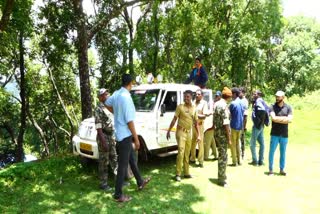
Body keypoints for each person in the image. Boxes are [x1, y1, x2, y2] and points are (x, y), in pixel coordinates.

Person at [105, 74, 151, 203]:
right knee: (123, 166)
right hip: (125, 135)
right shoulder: (127, 98)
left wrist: (116, 112)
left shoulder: (116, 93)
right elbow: (130, 121)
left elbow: (105, 102)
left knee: (131, 160)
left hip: (120, 134)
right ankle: (118, 194)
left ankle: (140, 181)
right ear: (130, 83)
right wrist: (136, 139)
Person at [166, 90, 200, 182]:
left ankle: (186, 172)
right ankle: (178, 173)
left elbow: (196, 123)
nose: (186, 98)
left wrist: (199, 135)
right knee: (181, 152)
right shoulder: (180, 107)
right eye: (185, 97)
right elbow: (174, 119)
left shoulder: (194, 108)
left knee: (187, 153)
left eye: (187, 97)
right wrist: (169, 130)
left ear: (191, 98)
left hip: (189, 133)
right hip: (180, 132)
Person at [95, 88, 118, 191]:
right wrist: (103, 141)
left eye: (107, 93)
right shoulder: (98, 109)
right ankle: (103, 183)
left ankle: (118, 180)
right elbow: (98, 126)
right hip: (103, 136)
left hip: (111, 136)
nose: (107, 95)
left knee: (114, 158)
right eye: (104, 94)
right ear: (100, 97)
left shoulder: (109, 107)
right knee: (104, 161)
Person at [268, 90, 293, 176]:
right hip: (274, 134)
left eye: (278, 97)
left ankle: (282, 169)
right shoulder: (272, 107)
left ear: (283, 98)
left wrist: (278, 119)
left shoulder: (288, 107)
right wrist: (284, 119)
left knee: (283, 153)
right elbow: (273, 118)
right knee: (271, 152)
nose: (277, 98)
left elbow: (290, 120)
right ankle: (270, 170)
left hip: (284, 135)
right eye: (276, 96)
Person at [213, 87, 232, 187]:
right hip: (222, 134)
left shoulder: (216, 104)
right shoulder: (224, 106)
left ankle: (221, 176)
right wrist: (229, 138)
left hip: (217, 132)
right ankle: (222, 179)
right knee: (223, 156)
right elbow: (226, 123)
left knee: (221, 154)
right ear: (229, 97)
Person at [249, 90, 269, 166]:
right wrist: (262, 121)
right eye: (253, 94)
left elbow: (263, 110)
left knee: (252, 144)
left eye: (255, 94)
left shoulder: (258, 101)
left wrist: (259, 121)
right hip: (261, 126)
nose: (253, 95)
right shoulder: (262, 101)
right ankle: (261, 161)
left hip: (257, 126)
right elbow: (267, 110)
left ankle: (255, 161)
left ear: (259, 95)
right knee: (262, 143)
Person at [190, 89, 208, 167]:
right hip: (192, 126)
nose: (197, 95)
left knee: (200, 144)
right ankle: (192, 158)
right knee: (192, 143)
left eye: (199, 94)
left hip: (200, 126)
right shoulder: (193, 102)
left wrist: (196, 115)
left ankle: (201, 161)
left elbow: (204, 116)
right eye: (196, 94)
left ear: (202, 95)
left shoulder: (204, 103)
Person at [203, 91, 221, 161]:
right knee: (212, 140)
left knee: (207, 142)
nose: (216, 97)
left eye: (217, 96)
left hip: (210, 125)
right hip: (209, 124)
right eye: (215, 96)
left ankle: (206, 156)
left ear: (220, 97)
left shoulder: (218, 105)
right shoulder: (212, 103)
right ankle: (215, 154)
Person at [229, 88, 244, 166]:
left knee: (233, 144)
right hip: (240, 126)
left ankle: (234, 161)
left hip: (234, 126)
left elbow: (229, 115)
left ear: (234, 94)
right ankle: (240, 160)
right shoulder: (242, 102)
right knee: (238, 143)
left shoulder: (232, 104)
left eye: (232, 93)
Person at [239, 87, 249, 159]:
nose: (239, 93)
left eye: (240, 92)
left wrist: (244, 126)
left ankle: (242, 153)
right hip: (237, 122)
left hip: (242, 122)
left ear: (243, 93)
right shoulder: (239, 100)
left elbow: (245, 115)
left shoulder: (244, 101)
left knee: (242, 138)